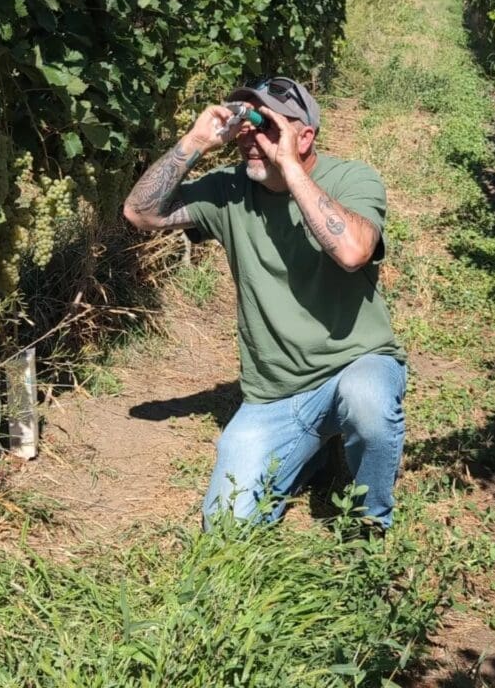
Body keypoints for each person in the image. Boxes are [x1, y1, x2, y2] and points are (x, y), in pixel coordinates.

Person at [123, 76, 406, 531]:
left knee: (368, 402)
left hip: (357, 363)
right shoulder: (229, 190)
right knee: (227, 526)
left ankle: (370, 523)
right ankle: (315, 453)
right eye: (247, 125)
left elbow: (353, 252)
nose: (252, 139)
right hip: (278, 392)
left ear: (305, 135)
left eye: (268, 126)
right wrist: (196, 140)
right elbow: (141, 214)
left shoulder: (353, 178)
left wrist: (289, 167)